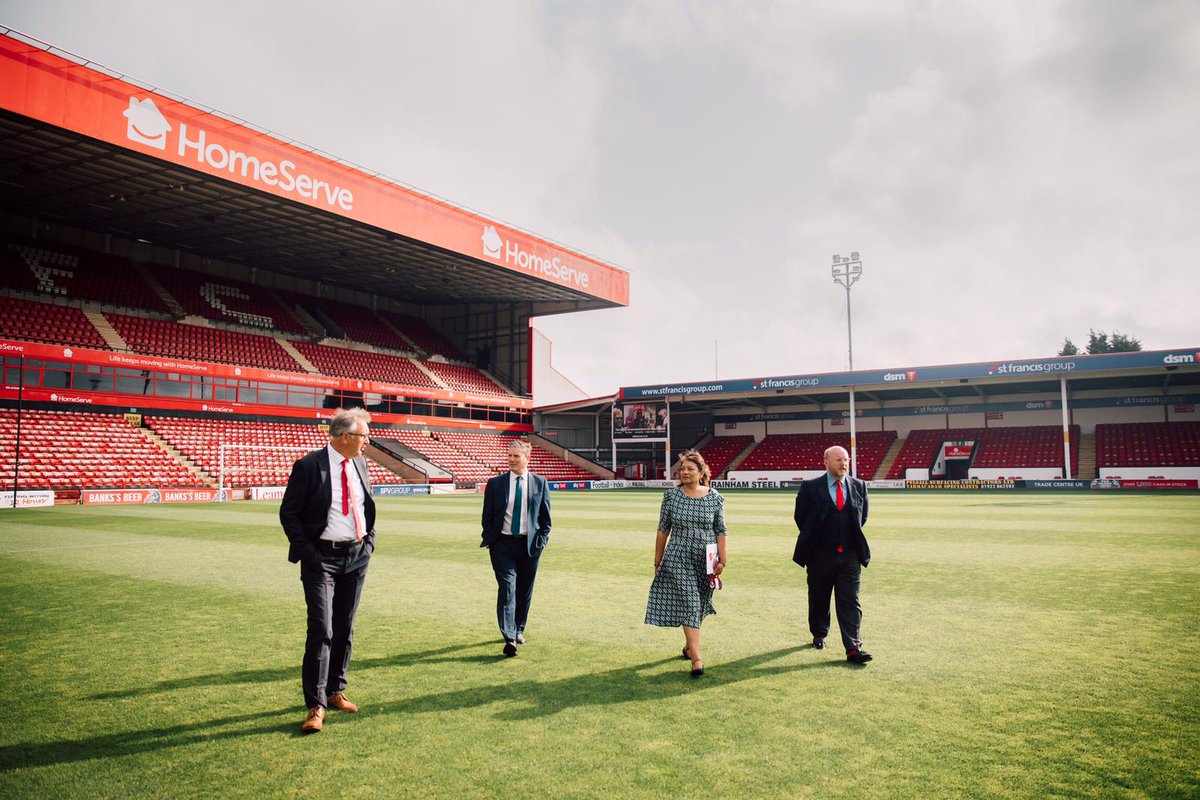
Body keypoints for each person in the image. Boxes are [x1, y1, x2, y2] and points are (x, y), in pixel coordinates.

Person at [279, 407, 377, 732]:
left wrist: (369, 543)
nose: (367, 441)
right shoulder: (309, 466)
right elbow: (289, 514)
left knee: (345, 626)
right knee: (322, 629)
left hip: (356, 556)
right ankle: (315, 705)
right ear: (346, 436)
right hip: (321, 559)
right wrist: (310, 553)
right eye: (363, 436)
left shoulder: (361, 463)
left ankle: (336, 691)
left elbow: (366, 506)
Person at [645, 449, 727, 677]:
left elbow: (721, 530)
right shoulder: (671, 496)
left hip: (706, 558)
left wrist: (723, 559)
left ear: (702, 473)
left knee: (699, 604)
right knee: (690, 602)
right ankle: (697, 659)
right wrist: (657, 560)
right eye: (682, 469)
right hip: (677, 556)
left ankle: (690, 645)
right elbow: (663, 529)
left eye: (690, 469)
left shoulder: (715, 497)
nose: (685, 472)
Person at [792, 445, 873, 664]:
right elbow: (801, 518)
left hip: (850, 555)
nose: (843, 464)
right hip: (820, 555)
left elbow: (862, 517)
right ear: (826, 462)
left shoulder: (859, 486)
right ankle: (819, 633)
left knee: (850, 601)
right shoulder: (810, 487)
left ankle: (853, 648)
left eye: (845, 460)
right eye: (838, 460)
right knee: (819, 598)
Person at [480, 439, 552, 657]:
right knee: (507, 588)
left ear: (526, 458)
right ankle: (509, 637)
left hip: (529, 546)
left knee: (524, 590)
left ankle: (519, 628)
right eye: (509, 456)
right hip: (502, 545)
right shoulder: (496, 483)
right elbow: (488, 516)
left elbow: (545, 521)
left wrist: (540, 542)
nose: (511, 460)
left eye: (516, 456)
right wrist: (490, 538)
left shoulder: (540, 483)